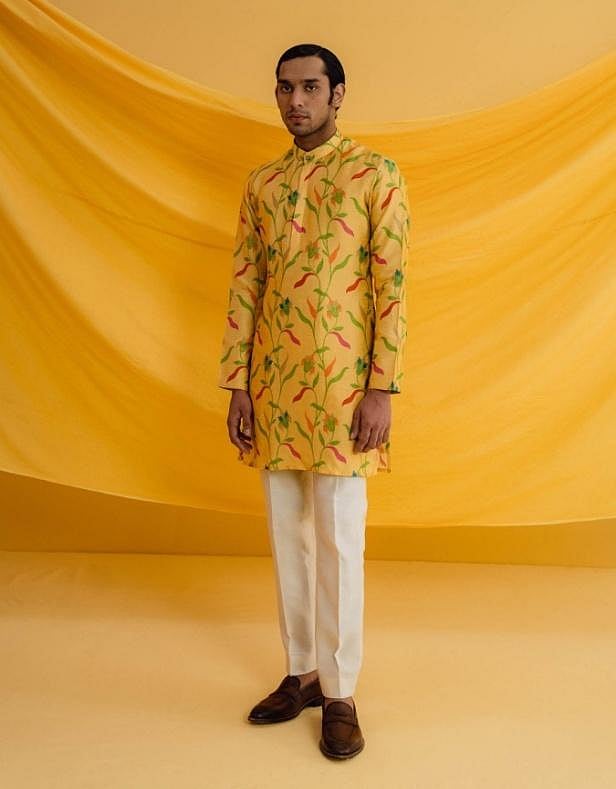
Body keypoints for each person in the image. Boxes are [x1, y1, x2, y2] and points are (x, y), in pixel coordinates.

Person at [218, 43, 410, 760]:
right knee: (287, 535)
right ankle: (300, 672)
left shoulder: (375, 174)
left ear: (338, 95)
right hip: (273, 386)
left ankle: (341, 689)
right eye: (284, 89)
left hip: (342, 391)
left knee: (339, 539)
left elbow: (393, 288)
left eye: (309, 87)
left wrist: (382, 386)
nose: (295, 100)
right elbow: (245, 284)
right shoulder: (263, 182)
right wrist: (236, 382)